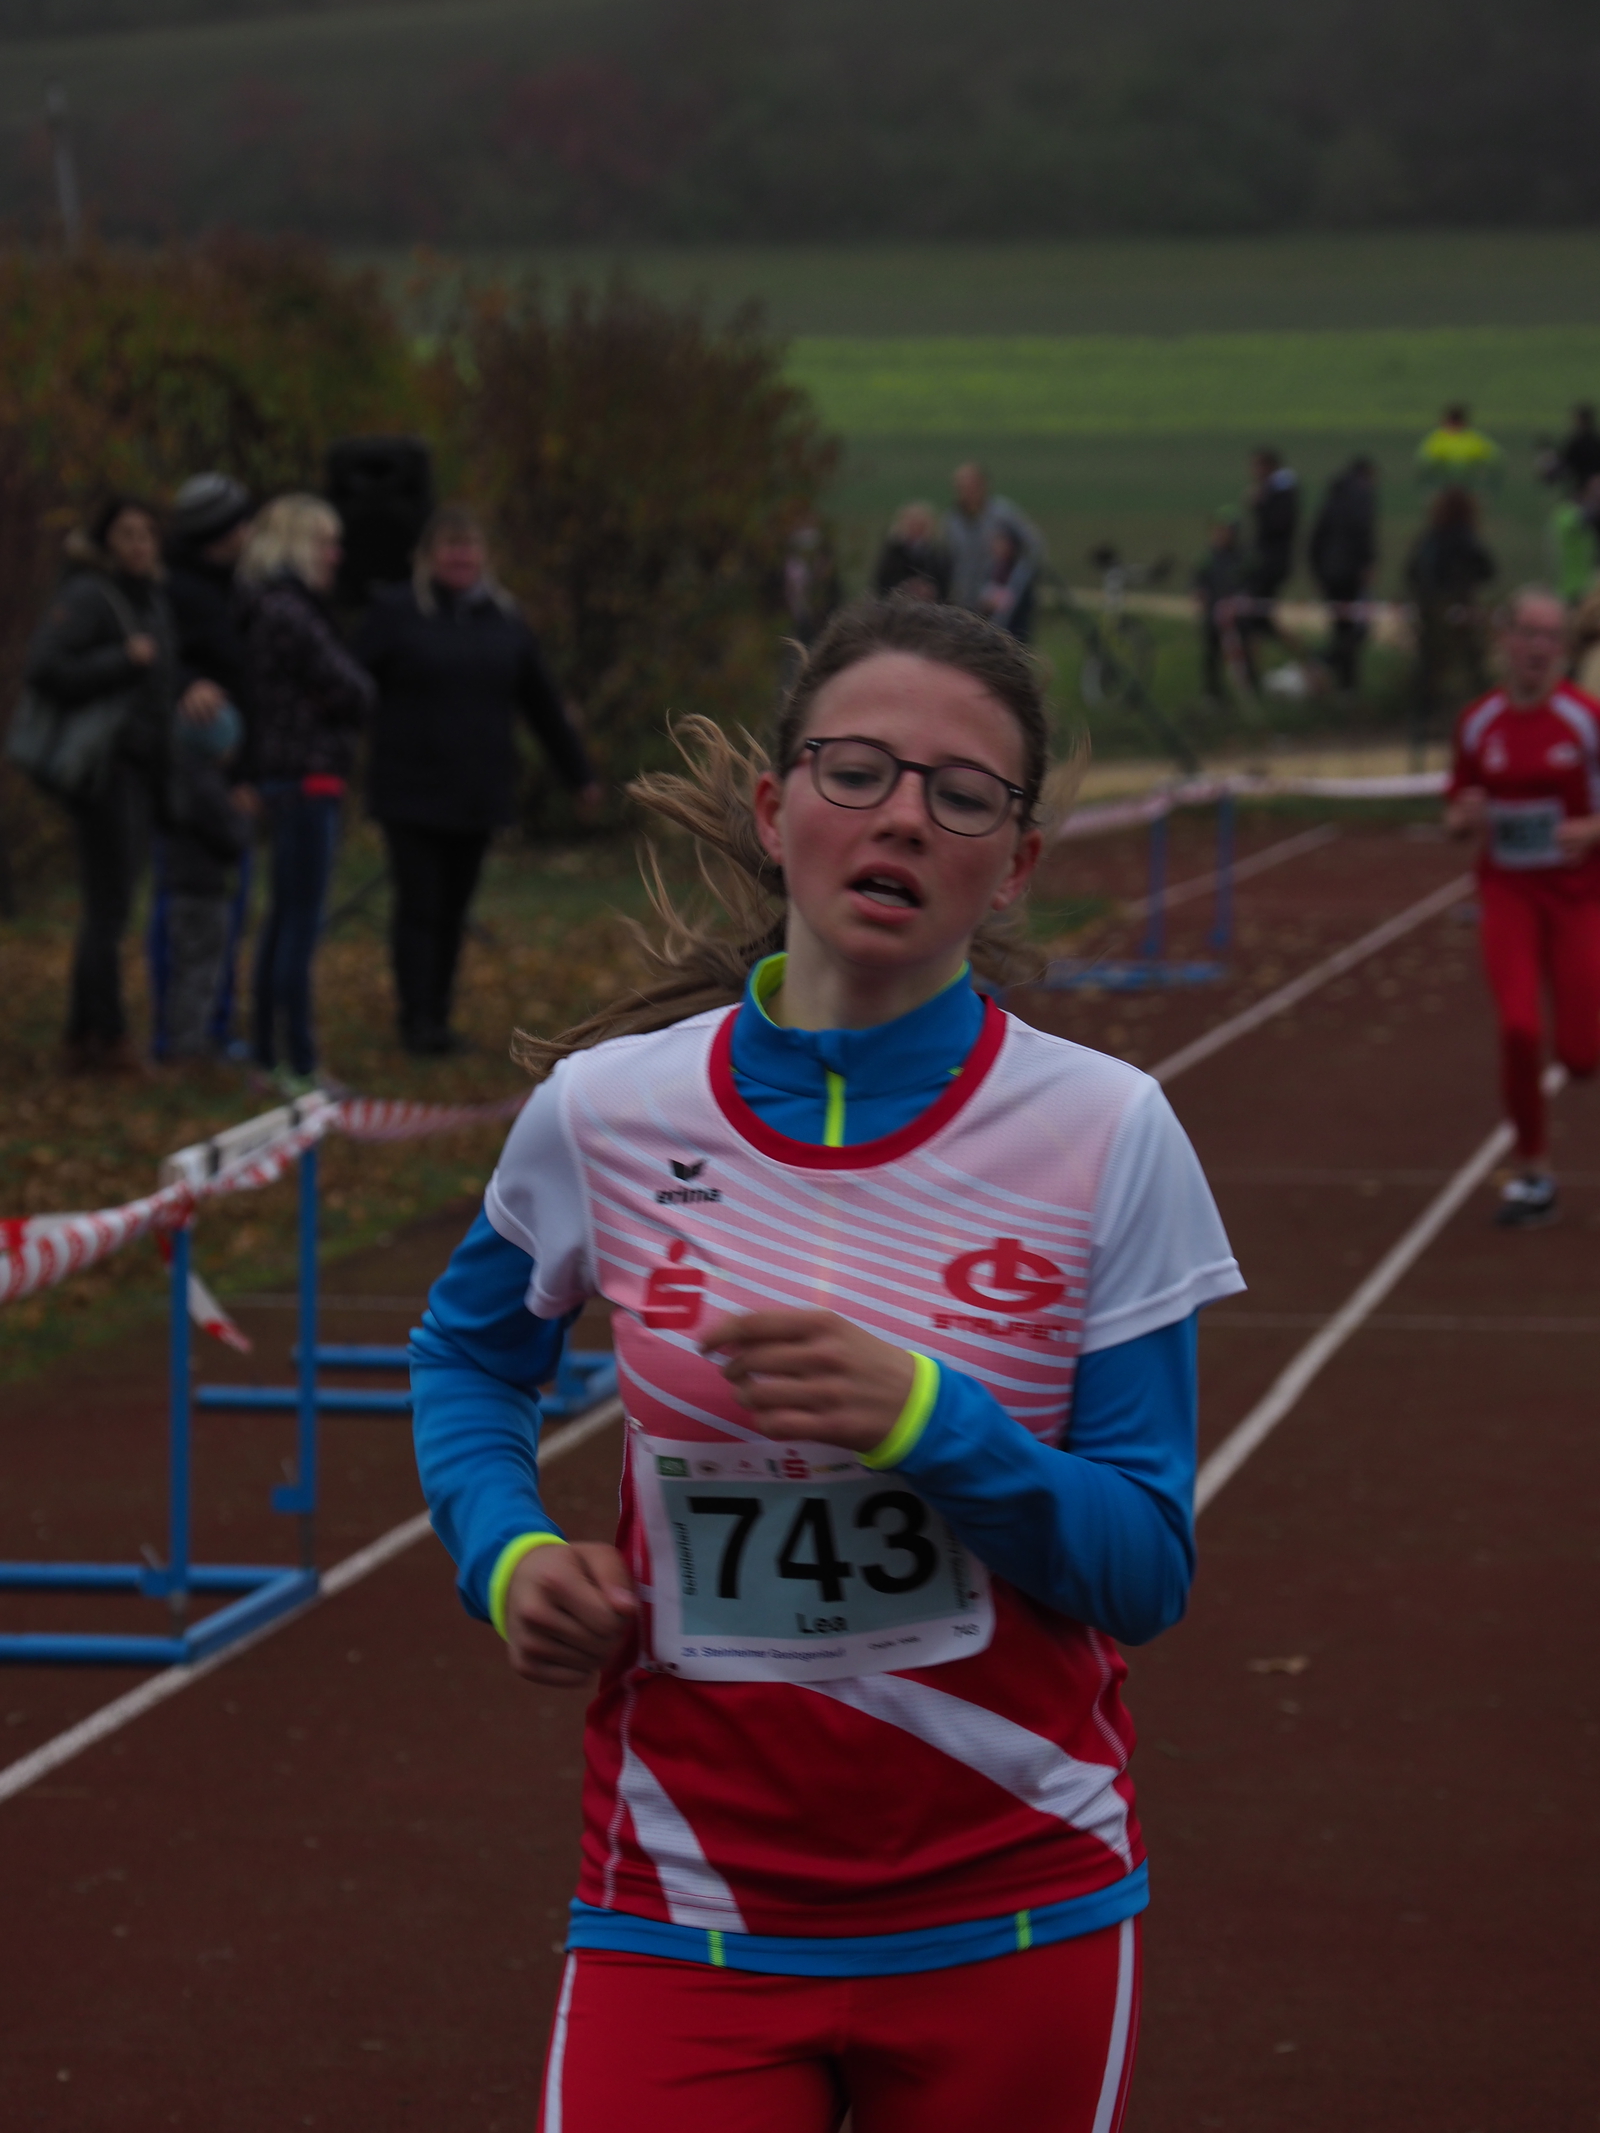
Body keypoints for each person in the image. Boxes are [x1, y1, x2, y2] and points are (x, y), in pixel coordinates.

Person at [411, 599, 1245, 2131]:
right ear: (773, 805)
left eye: (962, 794)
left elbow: (1143, 1566)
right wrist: (506, 1548)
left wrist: (934, 1424)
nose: (902, 817)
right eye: (857, 771)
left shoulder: (1107, 1133)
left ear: (1017, 861)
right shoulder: (605, 1113)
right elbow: (468, 1356)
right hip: (685, 1899)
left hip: (1015, 1906)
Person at [359, 505, 600, 1056]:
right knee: (418, 905)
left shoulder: (505, 620)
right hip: (409, 790)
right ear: (428, 555)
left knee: (452, 908)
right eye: (450, 545)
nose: (460, 556)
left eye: (469, 546)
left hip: (477, 793)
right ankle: (416, 1020)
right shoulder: (396, 613)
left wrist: (578, 774)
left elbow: (541, 703)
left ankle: (439, 1016)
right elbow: (347, 683)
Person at [1445, 587, 1600, 1228]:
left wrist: (1591, 830)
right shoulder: (1478, 722)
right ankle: (1533, 1173)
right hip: (1508, 894)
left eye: (1550, 636)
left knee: (1582, 1055)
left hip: (1578, 897)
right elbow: (1456, 808)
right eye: (1528, 633)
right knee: (1518, 1028)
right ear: (1504, 640)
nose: (1538, 647)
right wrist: (1465, 817)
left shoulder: (1584, 720)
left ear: (1563, 647)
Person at [23, 496, 177, 1072]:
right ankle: (104, 1037)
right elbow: (45, 667)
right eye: (128, 533)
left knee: (110, 906)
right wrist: (121, 659)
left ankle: (86, 1033)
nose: (139, 544)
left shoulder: (151, 598)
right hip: (102, 771)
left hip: (139, 769)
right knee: (107, 909)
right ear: (106, 540)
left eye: (148, 533)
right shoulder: (91, 595)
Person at [239, 493, 375, 1094]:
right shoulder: (291, 613)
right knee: (298, 923)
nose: (335, 555)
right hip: (308, 777)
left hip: (288, 775)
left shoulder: (269, 608)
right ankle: (297, 1063)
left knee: (282, 920)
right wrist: (341, 699)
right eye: (325, 542)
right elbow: (356, 691)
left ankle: (267, 1055)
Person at [156, 471, 257, 1058]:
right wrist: (187, 684)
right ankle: (180, 1032)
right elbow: (159, 662)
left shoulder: (241, 589)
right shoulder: (174, 591)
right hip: (191, 775)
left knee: (227, 905)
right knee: (189, 902)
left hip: (235, 768)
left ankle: (215, 1024)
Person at [160, 702, 251, 1061]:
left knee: (185, 969)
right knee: (201, 973)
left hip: (180, 890)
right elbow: (230, 840)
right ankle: (189, 1047)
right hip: (206, 894)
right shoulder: (209, 788)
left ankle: (182, 1039)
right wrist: (243, 816)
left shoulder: (177, 781)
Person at [1407, 487, 1497, 746]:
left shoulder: (1430, 538)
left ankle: (1426, 720)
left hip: (1432, 612)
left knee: (1430, 669)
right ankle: (1485, 717)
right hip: (1461, 609)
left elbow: (1412, 571)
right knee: (1473, 666)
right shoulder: (1466, 538)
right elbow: (1488, 568)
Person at [1308, 456, 1379, 691]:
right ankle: (1330, 664)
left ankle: (1344, 684)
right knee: (1359, 628)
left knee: (1341, 626)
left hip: (1329, 572)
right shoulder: (1362, 496)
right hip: (1351, 574)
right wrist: (1367, 563)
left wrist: (1317, 572)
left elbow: (1316, 537)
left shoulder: (1332, 498)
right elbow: (1362, 532)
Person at [944, 463, 1042, 628]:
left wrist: (1014, 575)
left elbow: (1034, 545)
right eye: (962, 487)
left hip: (1003, 603)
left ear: (983, 485)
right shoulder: (952, 520)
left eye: (972, 486)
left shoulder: (1003, 514)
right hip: (967, 600)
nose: (967, 492)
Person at [1242, 447, 1299, 656]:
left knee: (1256, 614)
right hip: (1267, 561)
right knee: (1257, 617)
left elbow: (1278, 525)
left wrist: (1259, 504)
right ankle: (1253, 665)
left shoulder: (1282, 489)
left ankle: (1303, 657)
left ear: (1268, 466)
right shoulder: (1277, 488)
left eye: (1256, 466)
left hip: (1272, 562)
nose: (1253, 471)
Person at [1193, 509, 1251, 698]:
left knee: (1242, 652)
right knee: (1212, 655)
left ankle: (1248, 685)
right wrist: (1199, 595)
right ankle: (1213, 692)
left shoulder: (1242, 556)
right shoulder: (1208, 557)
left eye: (1225, 530)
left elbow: (1249, 583)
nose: (1220, 534)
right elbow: (1198, 581)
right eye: (1217, 529)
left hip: (1237, 616)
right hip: (1213, 615)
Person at [874, 502, 950, 604]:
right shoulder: (893, 552)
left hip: (930, 607)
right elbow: (882, 581)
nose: (916, 528)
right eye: (912, 524)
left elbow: (944, 583)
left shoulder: (936, 553)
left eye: (920, 525)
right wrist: (905, 587)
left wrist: (930, 589)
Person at [1416, 403, 1501, 493]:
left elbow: (1422, 464)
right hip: (1467, 488)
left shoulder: (1437, 439)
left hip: (1445, 488)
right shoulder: (1474, 439)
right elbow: (1495, 461)